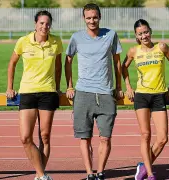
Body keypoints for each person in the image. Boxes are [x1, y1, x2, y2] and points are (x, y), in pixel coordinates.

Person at [64, 3, 123, 180]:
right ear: (84, 19)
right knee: (85, 138)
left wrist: (119, 86)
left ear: (100, 17)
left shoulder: (111, 35)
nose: (92, 20)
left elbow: (117, 62)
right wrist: (69, 85)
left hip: (106, 93)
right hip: (83, 94)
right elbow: (68, 61)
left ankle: (100, 172)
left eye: (95, 17)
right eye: (88, 18)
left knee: (105, 137)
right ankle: (90, 173)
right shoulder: (76, 38)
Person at [6, 10, 62, 180]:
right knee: (25, 138)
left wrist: (58, 87)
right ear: (35, 24)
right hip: (27, 92)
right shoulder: (24, 41)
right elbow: (12, 64)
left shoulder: (56, 41)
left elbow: (59, 67)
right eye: (41, 23)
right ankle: (42, 174)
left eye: (47, 23)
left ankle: (40, 176)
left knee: (45, 136)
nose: (45, 26)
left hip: (48, 93)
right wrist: (10, 87)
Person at [122, 19, 169, 180]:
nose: (144, 36)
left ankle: (143, 166)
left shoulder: (161, 47)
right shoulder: (134, 51)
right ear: (136, 36)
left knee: (162, 138)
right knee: (145, 135)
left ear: (150, 31)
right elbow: (123, 68)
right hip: (141, 96)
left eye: (146, 32)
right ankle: (150, 173)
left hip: (159, 96)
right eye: (140, 34)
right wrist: (128, 86)